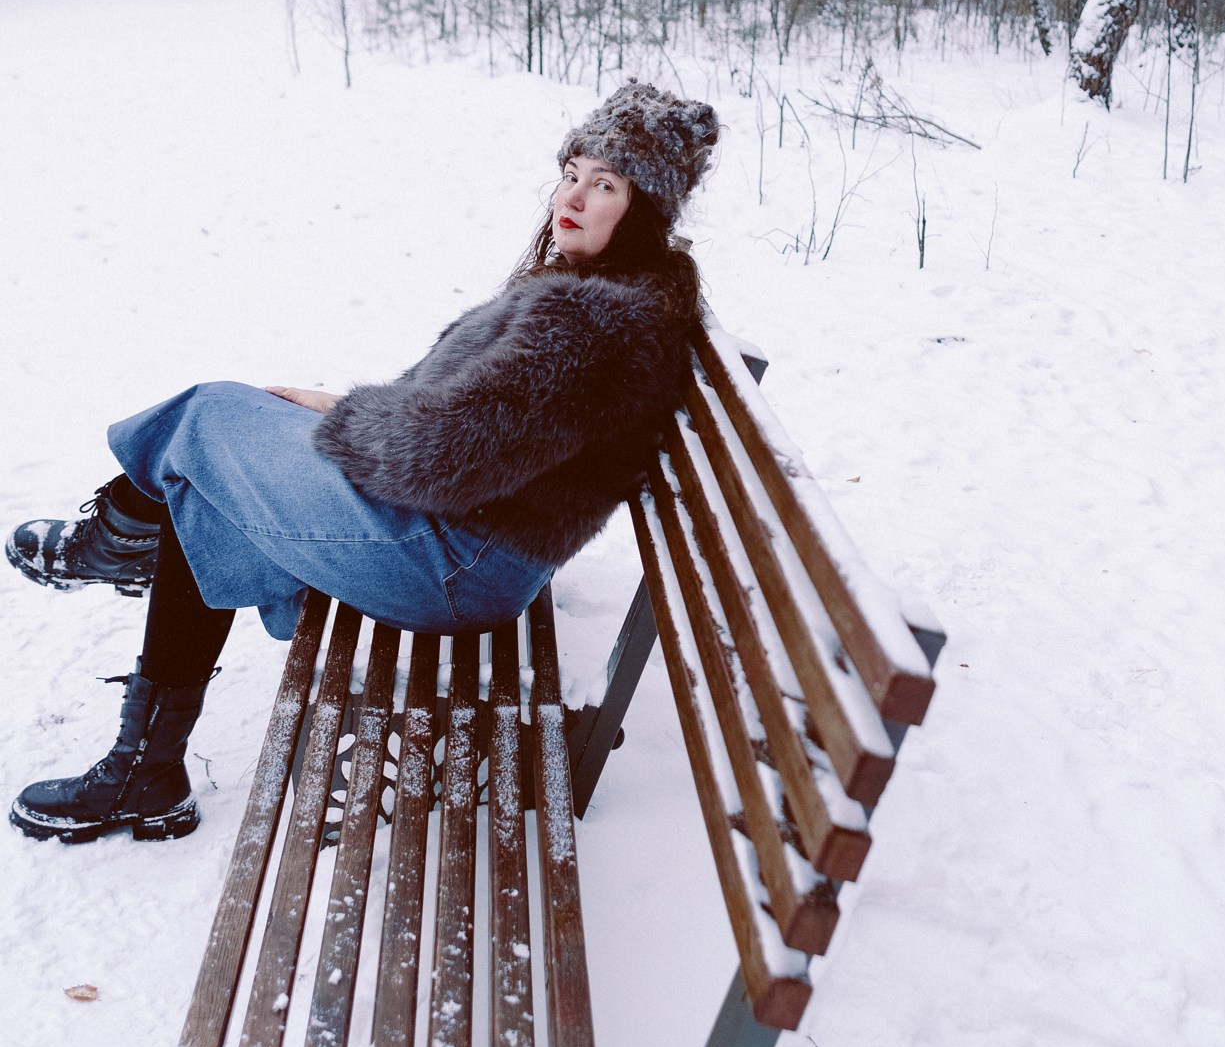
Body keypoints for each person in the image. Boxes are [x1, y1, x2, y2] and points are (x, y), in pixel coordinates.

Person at [5, 81, 719, 844]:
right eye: (571, 173)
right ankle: (146, 762)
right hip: (466, 541)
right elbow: (469, 425)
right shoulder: (612, 293)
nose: (571, 197)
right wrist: (334, 409)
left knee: (206, 418)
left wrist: (344, 418)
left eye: (604, 184)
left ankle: (114, 547)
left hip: (451, 563)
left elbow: (438, 460)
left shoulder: (594, 323)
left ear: (645, 207)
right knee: (212, 470)